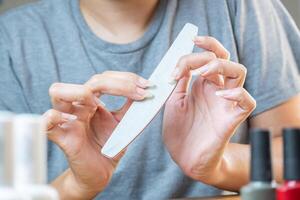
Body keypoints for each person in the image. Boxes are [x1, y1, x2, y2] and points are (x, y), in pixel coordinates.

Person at [0, 0, 299, 199]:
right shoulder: (11, 40)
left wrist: (218, 165)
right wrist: (79, 184)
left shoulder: (241, 7)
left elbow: (291, 156)